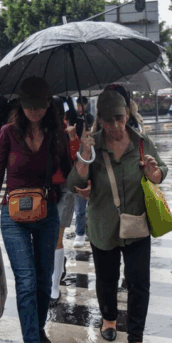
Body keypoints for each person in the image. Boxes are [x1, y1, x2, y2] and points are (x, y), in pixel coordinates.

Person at [0, 77, 72, 343]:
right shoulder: (7, 133)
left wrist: (83, 149)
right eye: (29, 106)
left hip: (47, 212)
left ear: (48, 104)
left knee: (43, 279)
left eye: (39, 106)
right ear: (21, 105)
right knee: (26, 280)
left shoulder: (56, 133)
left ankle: (37, 330)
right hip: (13, 216)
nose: (34, 111)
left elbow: (69, 173)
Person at [67, 85, 168, 343]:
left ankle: (136, 338)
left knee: (139, 282)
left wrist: (155, 173)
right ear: (99, 119)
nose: (115, 126)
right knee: (107, 279)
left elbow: (162, 170)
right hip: (103, 225)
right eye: (109, 120)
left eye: (120, 119)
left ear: (127, 115)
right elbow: (74, 183)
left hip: (136, 224)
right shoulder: (93, 145)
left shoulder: (141, 142)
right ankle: (109, 318)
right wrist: (84, 153)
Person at [49, 99, 82, 304]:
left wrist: (73, 138)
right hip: (45, 190)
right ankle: (57, 268)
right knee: (48, 237)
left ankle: (54, 287)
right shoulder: (40, 131)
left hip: (65, 188)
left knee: (57, 236)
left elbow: (77, 159)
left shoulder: (68, 132)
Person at [72, 96, 95, 248]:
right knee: (80, 205)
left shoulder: (90, 118)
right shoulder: (74, 118)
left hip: (91, 162)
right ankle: (80, 233)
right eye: (78, 104)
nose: (79, 107)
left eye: (82, 104)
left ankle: (90, 230)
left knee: (93, 204)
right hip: (78, 161)